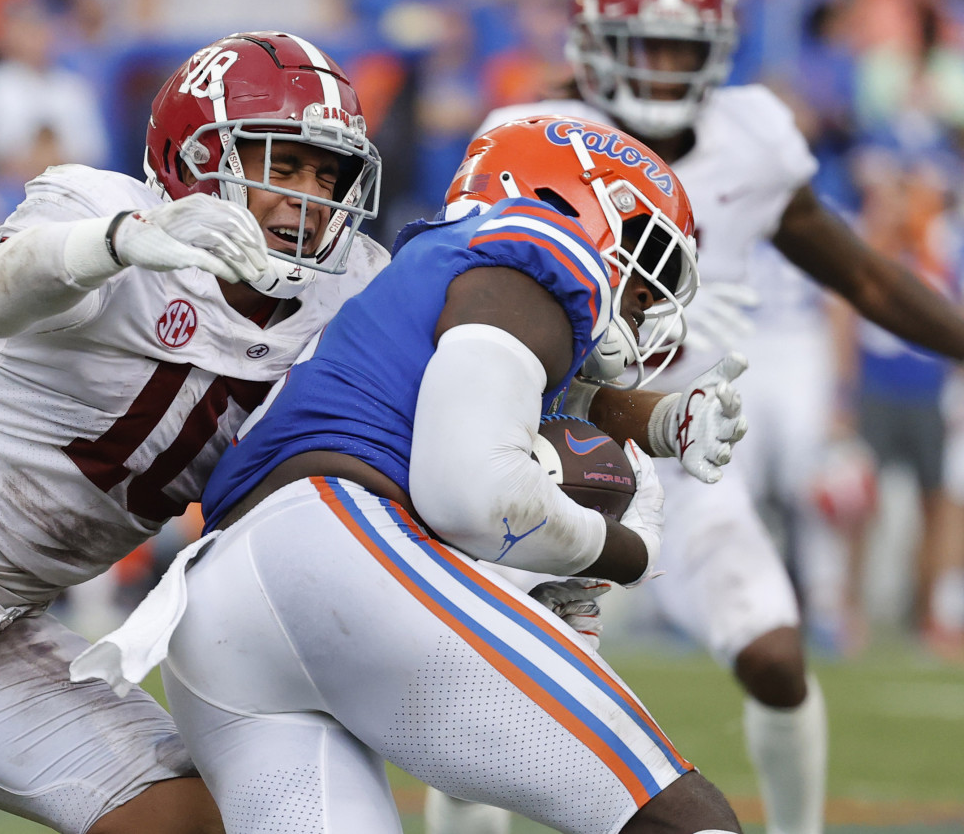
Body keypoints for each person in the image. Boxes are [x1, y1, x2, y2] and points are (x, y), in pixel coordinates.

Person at [0, 30, 384, 834]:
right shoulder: (99, 210)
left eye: (325, 172)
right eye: (282, 164)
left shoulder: (350, 292)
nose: (307, 195)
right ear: (195, 156)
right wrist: (116, 244)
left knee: (183, 819)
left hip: (2, 623)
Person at [72, 115, 752, 834]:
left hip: (217, 617)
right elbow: (475, 498)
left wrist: (660, 421)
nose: (644, 304)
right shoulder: (537, 250)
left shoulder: (439, 278)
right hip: (333, 550)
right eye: (645, 267)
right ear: (574, 205)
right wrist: (630, 552)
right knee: (682, 819)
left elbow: (540, 390)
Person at [442, 0, 964, 834]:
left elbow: (862, 276)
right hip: (540, 450)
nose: (659, 66)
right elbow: (463, 300)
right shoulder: (534, 136)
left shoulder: (751, 140)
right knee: (479, 698)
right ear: (592, 45)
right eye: (641, 42)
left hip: (676, 466)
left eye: (678, 49)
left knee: (776, 657)